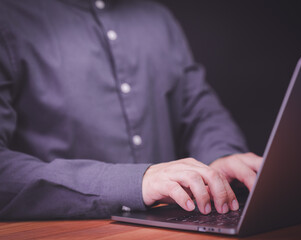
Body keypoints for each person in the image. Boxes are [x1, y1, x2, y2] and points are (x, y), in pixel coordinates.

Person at [0, 0, 262, 219]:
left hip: (171, 226)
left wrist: (220, 158)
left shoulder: (158, 18)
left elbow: (200, 112)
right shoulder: (8, 18)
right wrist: (137, 182)